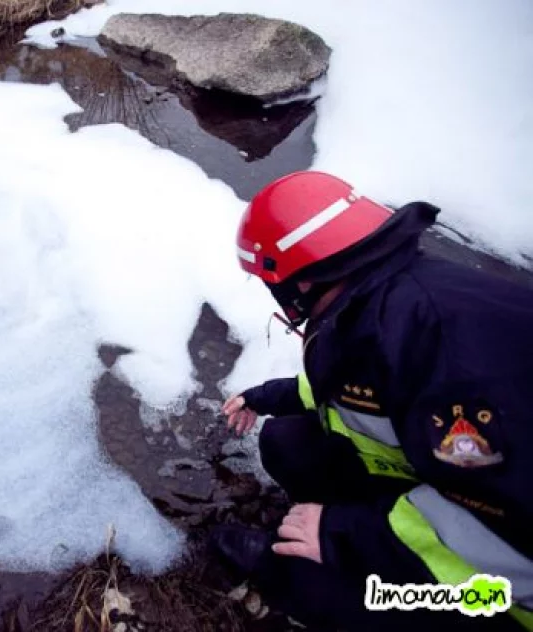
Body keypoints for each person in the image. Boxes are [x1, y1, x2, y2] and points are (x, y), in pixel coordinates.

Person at [208, 171, 533, 630]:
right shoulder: (390, 299)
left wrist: (343, 534)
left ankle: (294, 570)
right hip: (457, 489)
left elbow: (504, 530)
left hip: (515, 581)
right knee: (287, 441)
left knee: (318, 587)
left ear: (299, 281)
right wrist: (264, 397)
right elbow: (366, 392)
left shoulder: (447, 356)